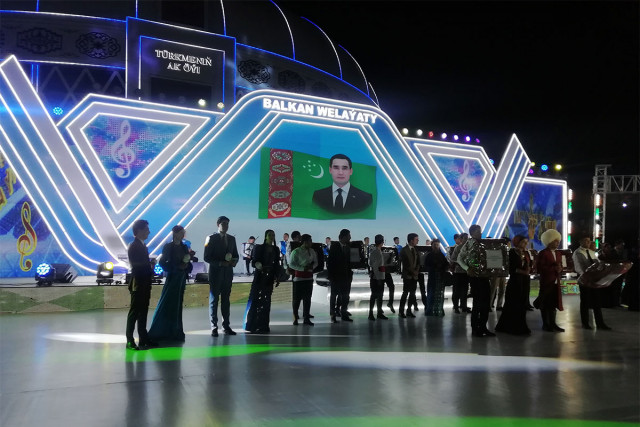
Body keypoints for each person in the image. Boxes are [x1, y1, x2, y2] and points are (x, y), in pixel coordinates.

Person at [148, 225, 190, 343]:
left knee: (178, 304)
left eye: (183, 233)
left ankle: (175, 331)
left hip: (181, 278)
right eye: (181, 233)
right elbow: (162, 262)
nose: (183, 235)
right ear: (175, 234)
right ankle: (162, 330)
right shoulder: (168, 247)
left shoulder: (184, 247)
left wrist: (186, 266)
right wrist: (176, 268)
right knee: (168, 302)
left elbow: (187, 262)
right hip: (173, 277)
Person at [204, 215, 239, 337]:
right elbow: (206, 257)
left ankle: (226, 326)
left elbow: (236, 255)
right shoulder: (210, 238)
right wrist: (220, 263)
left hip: (227, 274)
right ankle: (214, 327)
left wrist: (234, 261)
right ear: (218, 225)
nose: (226, 226)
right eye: (223, 223)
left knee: (226, 300)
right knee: (214, 301)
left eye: (227, 224)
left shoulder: (232, 239)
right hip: (215, 274)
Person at [458, 225, 495, 337]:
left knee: (486, 303)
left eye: (480, 231)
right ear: (472, 233)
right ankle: (475, 329)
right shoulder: (468, 244)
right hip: (475, 277)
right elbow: (460, 258)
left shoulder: (485, 244)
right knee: (477, 303)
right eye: (478, 231)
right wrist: (467, 268)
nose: (481, 233)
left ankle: (483, 327)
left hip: (485, 276)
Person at [125, 219, 155, 350]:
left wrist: (149, 266)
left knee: (143, 311)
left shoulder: (142, 245)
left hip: (144, 283)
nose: (149, 232)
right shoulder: (134, 246)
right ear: (139, 230)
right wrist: (150, 265)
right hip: (138, 284)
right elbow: (136, 266)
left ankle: (143, 338)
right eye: (146, 229)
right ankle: (130, 340)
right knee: (135, 312)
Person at [244, 229, 281, 334]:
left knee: (266, 301)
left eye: (273, 235)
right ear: (265, 236)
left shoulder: (276, 249)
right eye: (270, 235)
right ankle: (252, 325)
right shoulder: (259, 247)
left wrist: (278, 276)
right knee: (256, 300)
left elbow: (276, 264)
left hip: (270, 278)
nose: (271, 237)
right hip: (259, 277)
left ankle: (264, 325)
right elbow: (254, 262)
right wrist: (261, 267)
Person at [495, 235, 532, 335]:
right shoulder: (512, 252)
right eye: (523, 242)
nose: (525, 244)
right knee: (513, 304)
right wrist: (522, 271)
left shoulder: (525, 252)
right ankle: (511, 327)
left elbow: (528, 265)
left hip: (524, 280)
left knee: (522, 304)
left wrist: (528, 269)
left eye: (526, 242)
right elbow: (510, 267)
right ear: (518, 242)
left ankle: (521, 326)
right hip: (515, 281)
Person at [573, 237, 611, 330]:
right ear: (580, 241)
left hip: (594, 280)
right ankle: (585, 323)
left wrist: (600, 269)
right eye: (586, 240)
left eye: (589, 240)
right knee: (585, 302)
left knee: (597, 302)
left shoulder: (592, 252)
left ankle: (600, 323)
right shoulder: (577, 252)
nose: (588, 242)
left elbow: (598, 264)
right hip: (585, 280)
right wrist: (587, 275)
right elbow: (579, 267)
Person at [534, 228, 565, 332]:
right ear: (549, 241)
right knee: (545, 303)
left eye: (558, 241)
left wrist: (560, 269)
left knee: (554, 303)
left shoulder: (559, 253)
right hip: (546, 281)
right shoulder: (543, 253)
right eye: (555, 241)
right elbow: (540, 268)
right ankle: (546, 324)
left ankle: (553, 324)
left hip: (556, 281)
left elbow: (561, 265)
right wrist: (554, 268)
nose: (557, 243)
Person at [289, 233, 318, 325]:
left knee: (307, 299)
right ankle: (295, 316)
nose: (311, 243)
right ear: (305, 242)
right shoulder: (296, 251)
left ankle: (306, 318)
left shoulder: (312, 251)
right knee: (297, 299)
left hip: (309, 277)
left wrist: (312, 267)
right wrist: (302, 268)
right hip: (299, 278)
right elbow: (291, 264)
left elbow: (316, 262)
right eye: (310, 241)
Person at [328, 228, 353, 322]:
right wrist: (331, 276)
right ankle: (332, 314)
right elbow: (330, 262)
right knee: (334, 295)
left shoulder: (349, 247)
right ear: (343, 237)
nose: (350, 238)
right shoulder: (335, 246)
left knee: (345, 296)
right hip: (336, 276)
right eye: (349, 236)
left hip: (346, 276)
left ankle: (344, 313)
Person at [368, 234, 389, 320]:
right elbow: (375, 266)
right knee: (375, 295)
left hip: (379, 276)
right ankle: (372, 313)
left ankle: (378, 312)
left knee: (379, 295)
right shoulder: (376, 252)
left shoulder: (376, 251)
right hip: (377, 277)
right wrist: (378, 278)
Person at [399, 233, 420, 318]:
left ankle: (409, 310)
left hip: (414, 276)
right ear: (411, 240)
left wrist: (416, 271)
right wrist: (413, 271)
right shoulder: (404, 250)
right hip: (407, 275)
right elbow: (405, 264)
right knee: (405, 293)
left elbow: (418, 262)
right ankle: (401, 311)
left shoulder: (415, 250)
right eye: (416, 239)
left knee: (412, 294)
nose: (418, 241)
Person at [425, 239, 448, 316]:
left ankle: (439, 310)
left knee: (440, 295)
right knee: (431, 294)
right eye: (434, 245)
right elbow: (426, 266)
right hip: (432, 277)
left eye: (437, 245)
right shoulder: (429, 255)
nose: (436, 246)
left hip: (440, 278)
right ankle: (430, 310)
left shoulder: (441, 255)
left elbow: (446, 264)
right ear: (432, 246)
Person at [450, 233, 471, 314]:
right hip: (458, 272)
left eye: (467, 238)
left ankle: (464, 306)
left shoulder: (469, 248)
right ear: (461, 239)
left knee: (465, 290)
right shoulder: (458, 248)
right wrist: (461, 263)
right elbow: (453, 259)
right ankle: (456, 306)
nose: (467, 240)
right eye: (465, 238)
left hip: (466, 272)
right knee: (457, 290)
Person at [490, 238, 510, 311]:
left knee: (501, 289)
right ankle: (490, 305)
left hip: (502, 272)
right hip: (496, 272)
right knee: (493, 289)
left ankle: (499, 305)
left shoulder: (506, 250)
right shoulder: (495, 249)